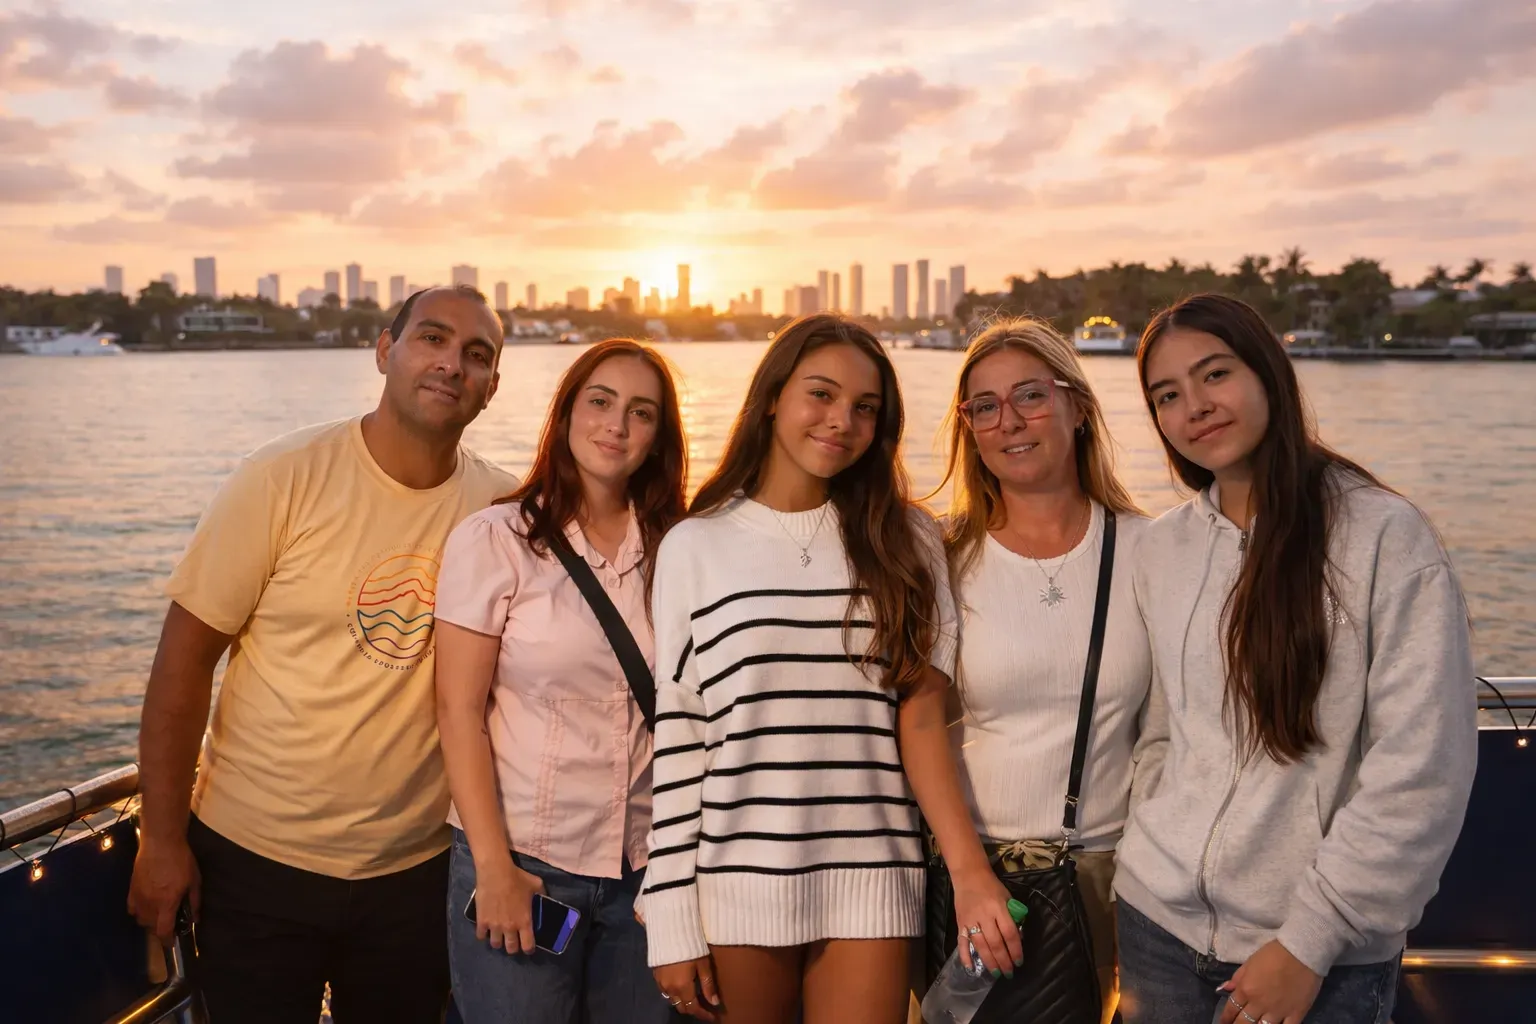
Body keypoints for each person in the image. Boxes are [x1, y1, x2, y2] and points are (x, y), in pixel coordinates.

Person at [127, 286, 517, 1023]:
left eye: (476, 355)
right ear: (383, 350)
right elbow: (182, 665)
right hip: (254, 864)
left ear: (493, 387)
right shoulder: (282, 478)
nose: (451, 365)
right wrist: (162, 839)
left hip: (416, 871)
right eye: (431, 339)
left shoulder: (503, 512)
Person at [641, 313, 1021, 1024]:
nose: (842, 420)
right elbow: (683, 739)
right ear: (774, 397)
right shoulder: (697, 545)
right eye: (821, 394)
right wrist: (670, 916)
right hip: (736, 881)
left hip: (873, 877)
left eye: (865, 407)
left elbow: (923, 720)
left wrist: (970, 871)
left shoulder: (906, 538)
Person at [1114, 293, 1478, 1024]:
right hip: (1156, 927)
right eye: (1168, 396)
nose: (1195, 407)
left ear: (1268, 374)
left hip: (1313, 953)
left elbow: (1421, 764)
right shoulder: (1161, 548)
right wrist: (1151, 847)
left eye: (1215, 375)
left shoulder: (1381, 537)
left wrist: (1310, 940)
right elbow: (1161, 730)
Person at [433, 339, 688, 1023]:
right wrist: (493, 868)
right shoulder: (496, 540)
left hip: (648, 873)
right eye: (599, 402)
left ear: (659, 435)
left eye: (641, 412)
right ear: (566, 413)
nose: (617, 425)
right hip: (526, 864)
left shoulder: (680, 548)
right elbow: (458, 713)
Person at [936, 317, 1152, 1023]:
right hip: (974, 883)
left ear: (1078, 406)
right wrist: (969, 878)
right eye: (985, 406)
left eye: (1031, 395)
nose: (1009, 421)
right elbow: (921, 725)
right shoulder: (945, 558)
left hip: (1112, 883)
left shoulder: (1153, 551)